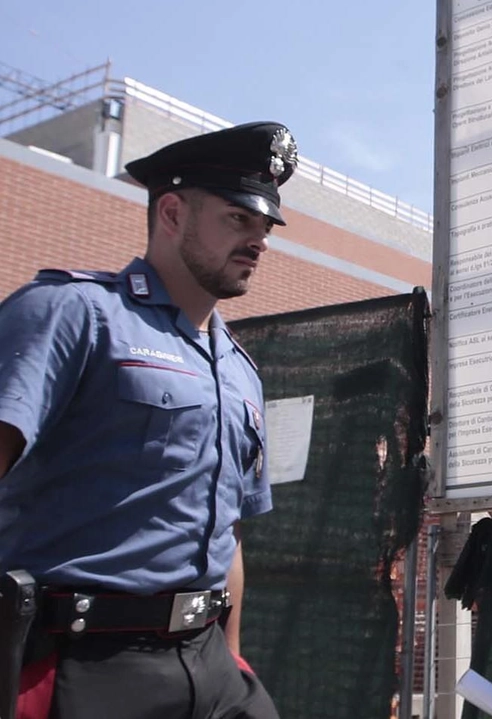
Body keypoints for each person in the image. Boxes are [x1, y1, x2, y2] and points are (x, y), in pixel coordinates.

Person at [0, 121, 296, 719]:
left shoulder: (241, 369)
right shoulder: (72, 312)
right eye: (238, 218)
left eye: (265, 226)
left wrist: (232, 664)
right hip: (83, 662)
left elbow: (229, 531)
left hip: (209, 660)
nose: (259, 240)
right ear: (170, 213)